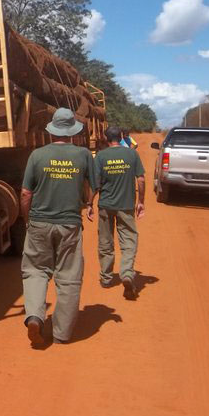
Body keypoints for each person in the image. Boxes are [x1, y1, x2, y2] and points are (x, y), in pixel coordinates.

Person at [20, 108, 97, 347]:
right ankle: (62, 333)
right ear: (72, 132)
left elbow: (25, 193)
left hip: (39, 223)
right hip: (69, 225)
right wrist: (89, 204)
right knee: (69, 277)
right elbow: (94, 186)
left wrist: (27, 220)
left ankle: (34, 316)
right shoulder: (83, 155)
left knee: (35, 270)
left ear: (52, 131)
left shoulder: (37, 155)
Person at [92, 126, 145, 299]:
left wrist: (89, 202)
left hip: (106, 206)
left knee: (105, 241)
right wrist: (141, 202)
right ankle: (127, 273)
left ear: (106, 139)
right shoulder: (131, 154)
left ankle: (106, 278)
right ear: (121, 137)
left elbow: (95, 183)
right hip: (126, 205)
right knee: (129, 240)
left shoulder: (100, 156)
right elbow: (141, 179)